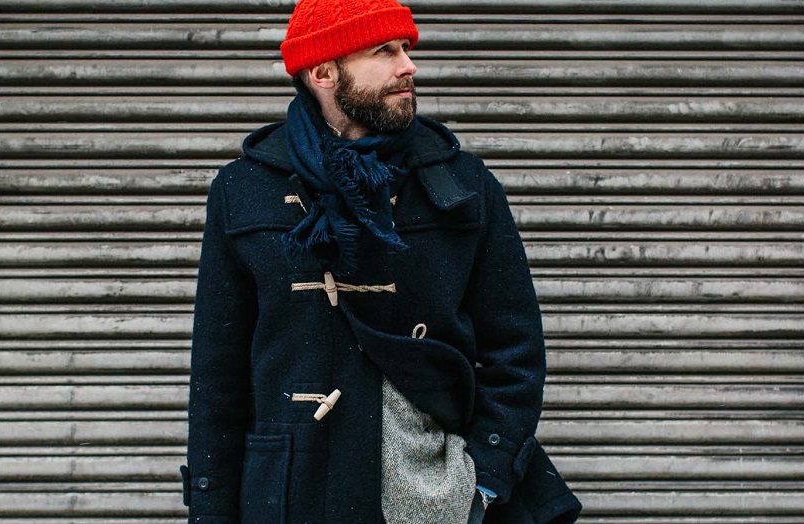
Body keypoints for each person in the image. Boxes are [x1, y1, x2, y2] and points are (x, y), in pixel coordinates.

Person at [180, 0, 582, 522]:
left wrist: (484, 481)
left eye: (406, 48)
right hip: (291, 495)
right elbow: (218, 378)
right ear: (324, 72)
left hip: (433, 497)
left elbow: (516, 351)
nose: (408, 66)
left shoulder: (463, 184)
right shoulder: (244, 190)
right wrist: (210, 509)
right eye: (384, 51)